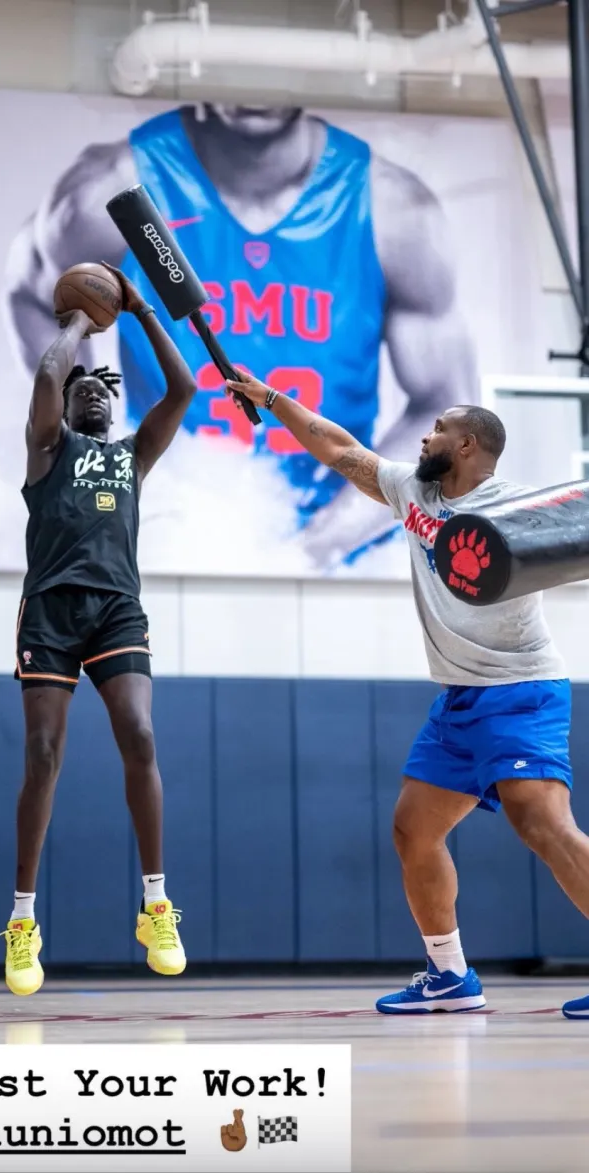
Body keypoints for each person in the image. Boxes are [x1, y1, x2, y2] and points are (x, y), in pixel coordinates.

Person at [225, 368, 589, 1020]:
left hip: (520, 689)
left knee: (542, 824)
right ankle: (449, 975)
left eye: (438, 428)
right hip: (457, 700)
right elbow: (339, 448)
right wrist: (272, 399)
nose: (425, 436)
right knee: (413, 828)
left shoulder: (517, 508)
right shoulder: (415, 492)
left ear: (468, 444)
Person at [4, 104, 479, 571]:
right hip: (165, 524)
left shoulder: (394, 209)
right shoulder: (111, 185)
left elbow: (445, 400)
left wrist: (318, 547)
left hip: (338, 541)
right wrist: (87, 439)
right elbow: (34, 294)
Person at [2, 264, 195, 996]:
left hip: (116, 607)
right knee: (44, 754)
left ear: (113, 409)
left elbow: (183, 390)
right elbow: (47, 377)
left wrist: (139, 309)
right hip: (52, 609)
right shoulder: (49, 449)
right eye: (80, 389)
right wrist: (82, 318)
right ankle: (22, 920)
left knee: (140, 736)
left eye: (100, 391)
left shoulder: (131, 457)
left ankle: (156, 906)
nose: (89, 392)